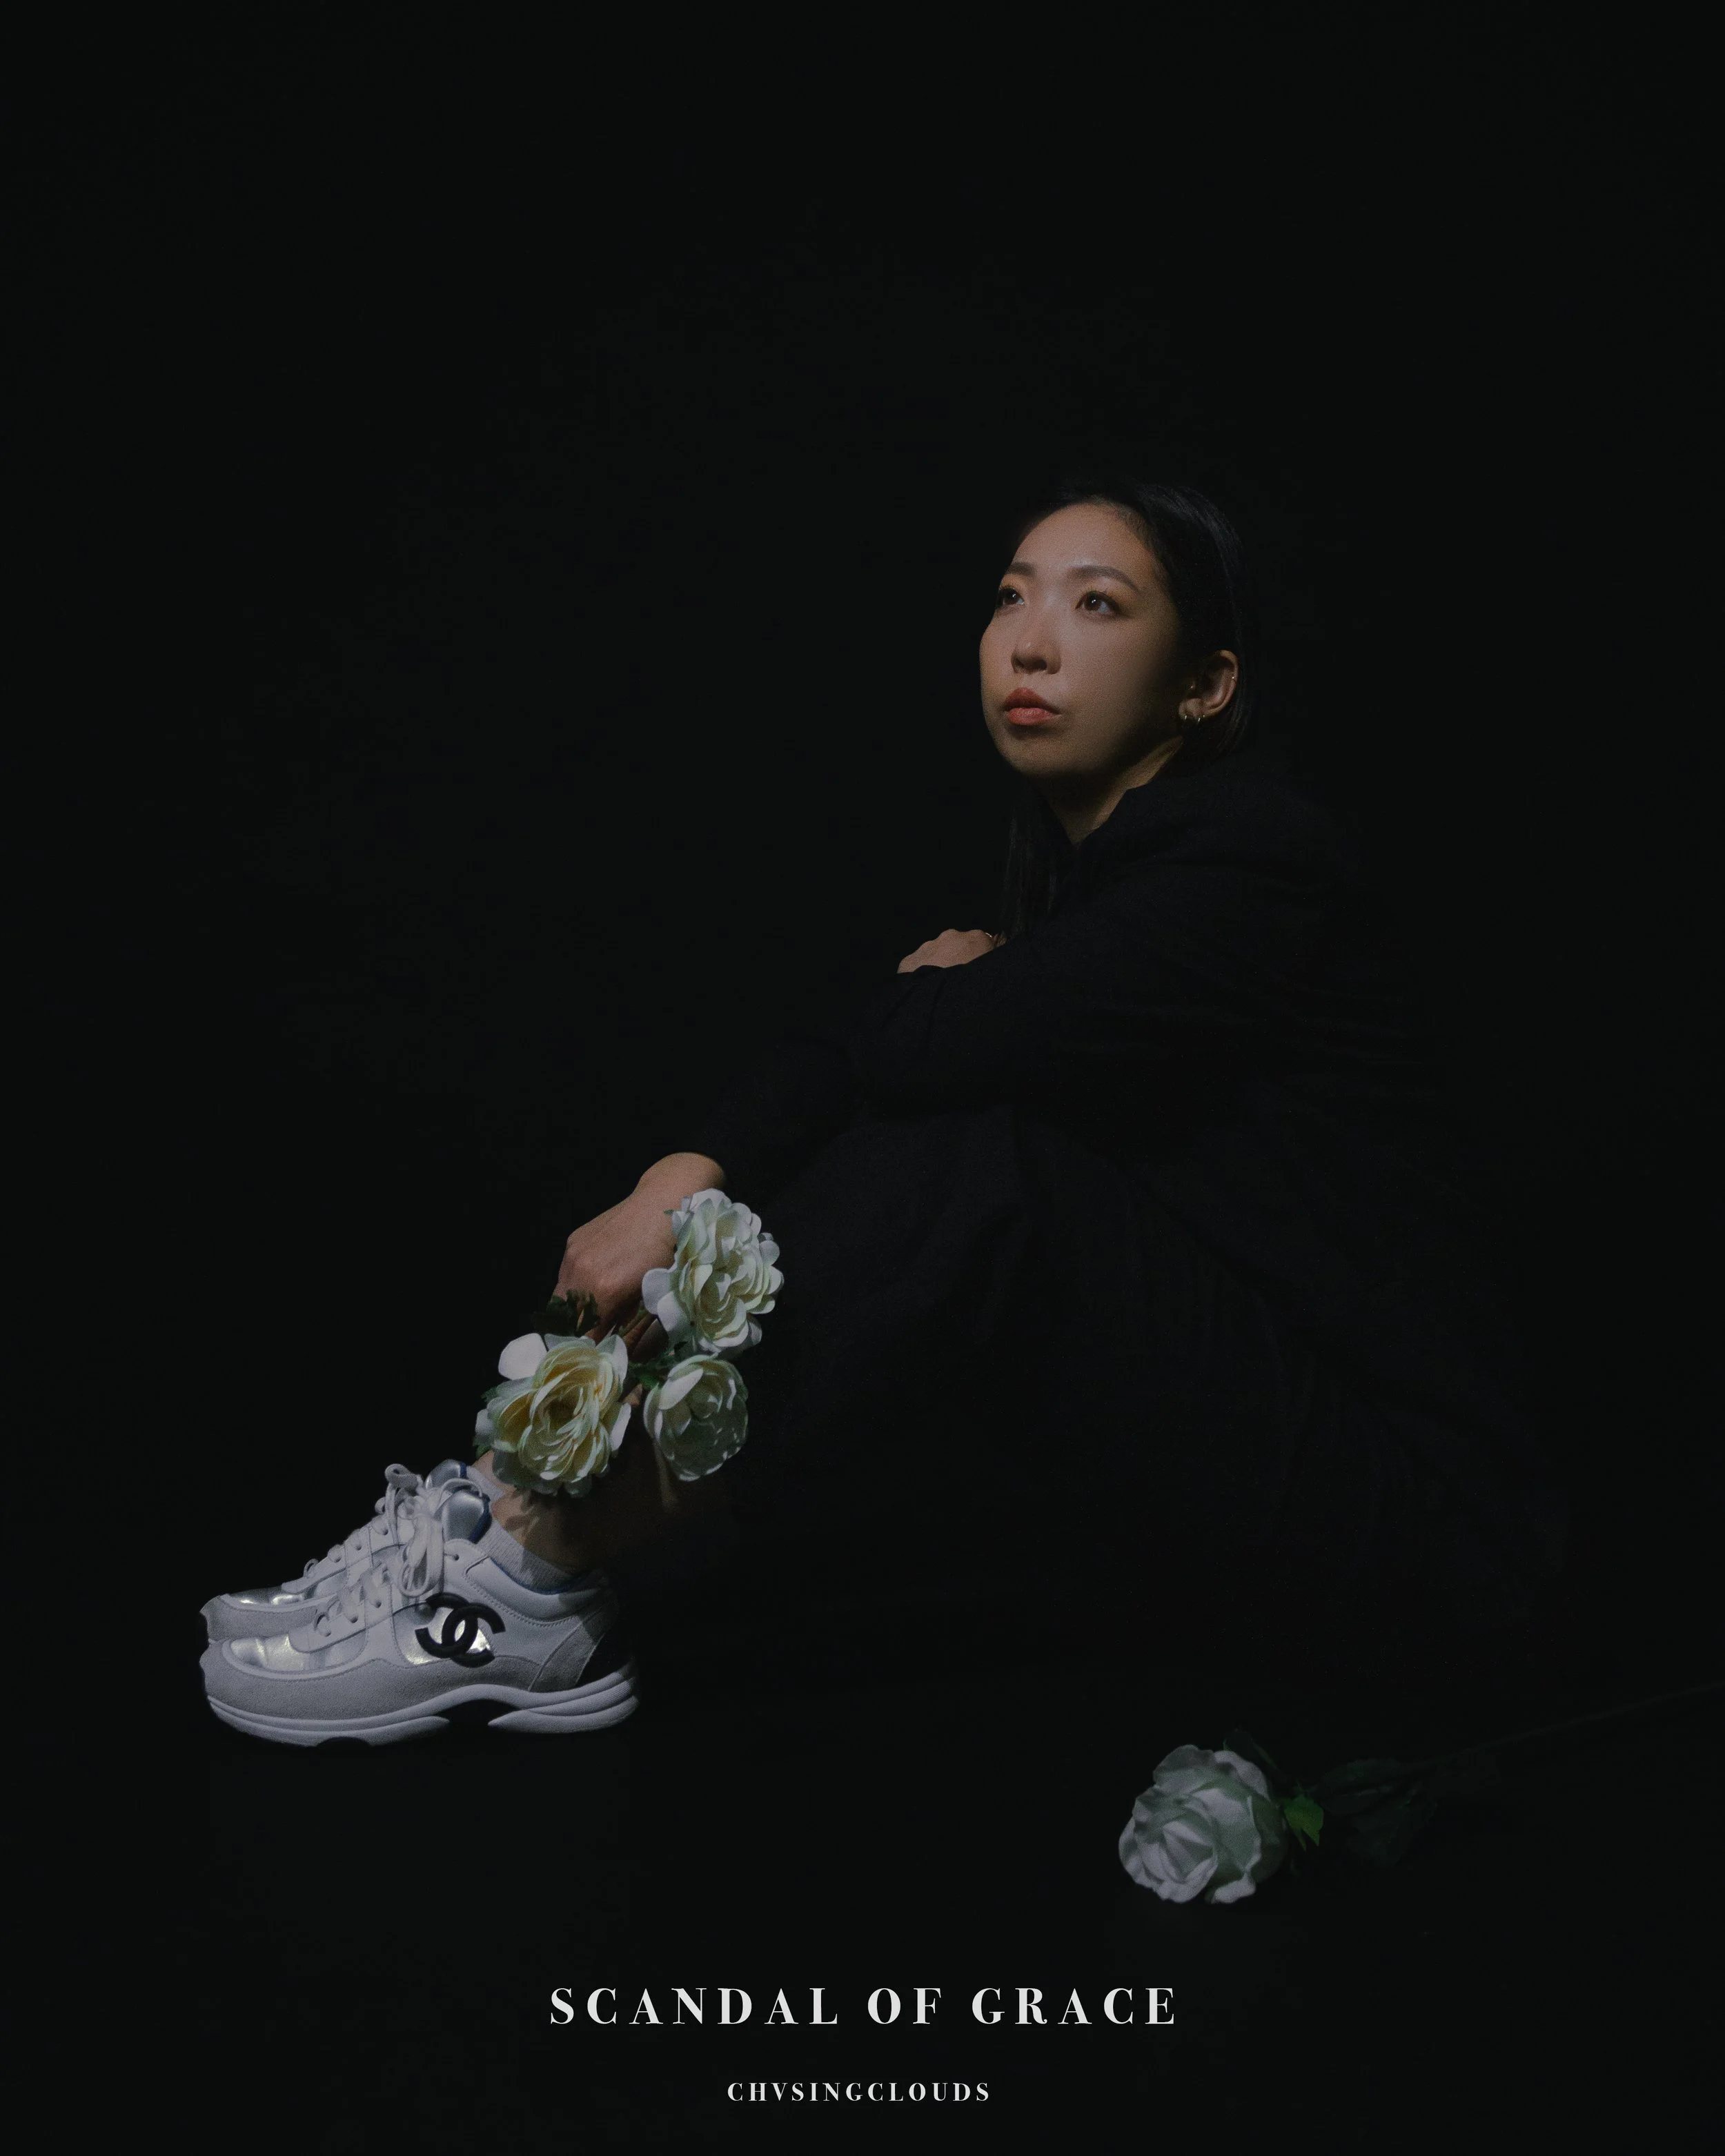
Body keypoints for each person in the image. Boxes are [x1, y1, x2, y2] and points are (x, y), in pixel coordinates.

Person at [200, 476, 1566, 1745]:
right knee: (947, 1131)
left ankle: (528, 1570)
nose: (1028, 644)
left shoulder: (1246, 863)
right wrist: (678, 1173)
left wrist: (949, 1008)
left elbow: (905, 1052)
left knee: (985, 1159)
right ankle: (511, 1522)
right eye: (1010, 593)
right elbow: (880, 1050)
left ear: (1202, 683)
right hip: (1256, 1492)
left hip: (1418, 1545)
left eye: (1095, 605)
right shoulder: (1096, 890)